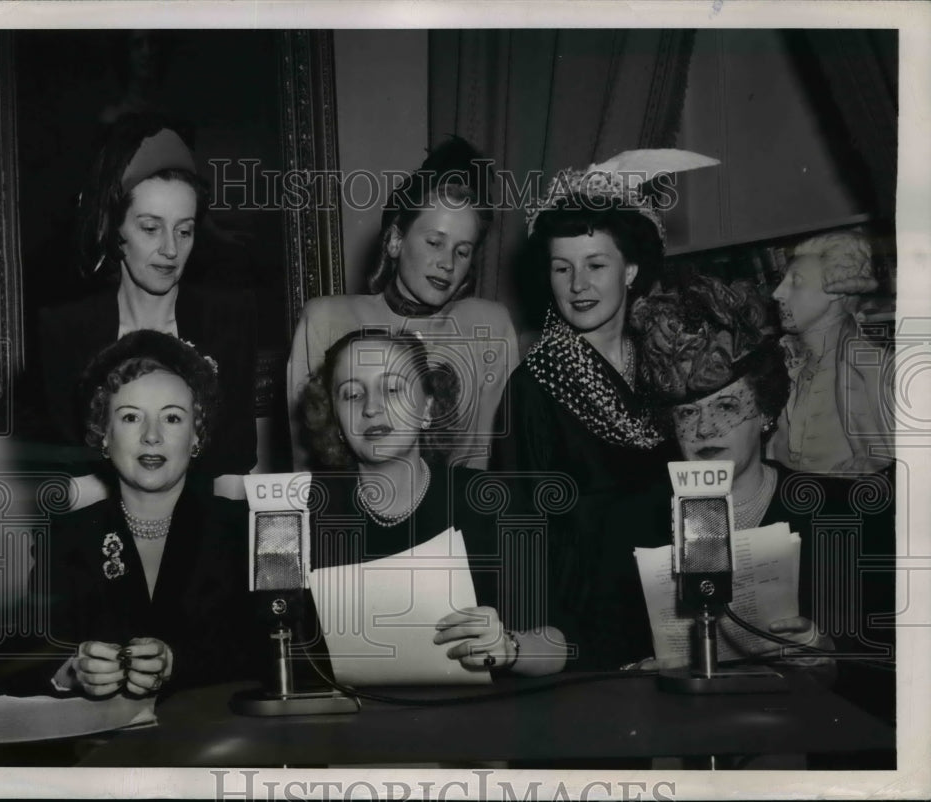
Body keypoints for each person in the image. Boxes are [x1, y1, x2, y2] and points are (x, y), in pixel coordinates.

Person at [490, 153, 718, 669]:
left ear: (630, 270)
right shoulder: (533, 387)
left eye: (596, 265)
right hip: (583, 625)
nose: (577, 285)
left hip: (681, 609)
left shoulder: (670, 369)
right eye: (562, 268)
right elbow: (519, 533)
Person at [632, 275, 895, 721]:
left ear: (768, 411)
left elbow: (897, 671)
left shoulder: (842, 513)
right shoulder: (636, 525)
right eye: (687, 413)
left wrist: (827, 656)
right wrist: (639, 677)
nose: (704, 430)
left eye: (728, 407)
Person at [0, 331, 255, 698]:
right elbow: (18, 662)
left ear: (196, 435)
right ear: (103, 434)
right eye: (132, 417)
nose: (152, 436)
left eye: (172, 418)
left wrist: (176, 663)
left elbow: (280, 654)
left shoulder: (247, 529)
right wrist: (69, 671)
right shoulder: (66, 539)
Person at [300, 329, 566, 677]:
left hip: (479, 720)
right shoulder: (303, 511)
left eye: (393, 389)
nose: (372, 407)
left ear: (427, 408)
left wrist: (509, 646)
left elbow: (559, 643)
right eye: (351, 394)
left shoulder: (491, 502)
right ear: (334, 419)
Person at [39, 112, 258, 478]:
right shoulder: (65, 330)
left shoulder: (228, 318)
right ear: (114, 229)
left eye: (184, 231)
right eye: (151, 228)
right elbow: (69, 477)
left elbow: (234, 465)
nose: (171, 249)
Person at [287, 138, 518, 471]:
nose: (447, 263)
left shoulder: (489, 326)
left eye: (462, 251)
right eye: (434, 242)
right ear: (396, 241)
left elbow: (485, 459)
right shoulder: (326, 319)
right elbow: (305, 465)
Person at [769, 229, 893, 474]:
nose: (777, 293)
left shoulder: (875, 368)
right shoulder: (780, 361)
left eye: (796, 282)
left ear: (837, 290)